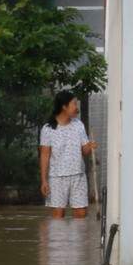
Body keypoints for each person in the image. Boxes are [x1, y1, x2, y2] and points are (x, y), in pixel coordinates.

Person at [39, 90, 96, 219]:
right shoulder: (48, 129)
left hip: (78, 175)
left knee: (81, 215)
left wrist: (90, 147)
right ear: (64, 107)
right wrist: (44, 180)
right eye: (74, 104)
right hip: (57, 178)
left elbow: (85, 151)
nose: (77, 108)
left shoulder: (78, 125)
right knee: (58, 216)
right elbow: (44, 155)